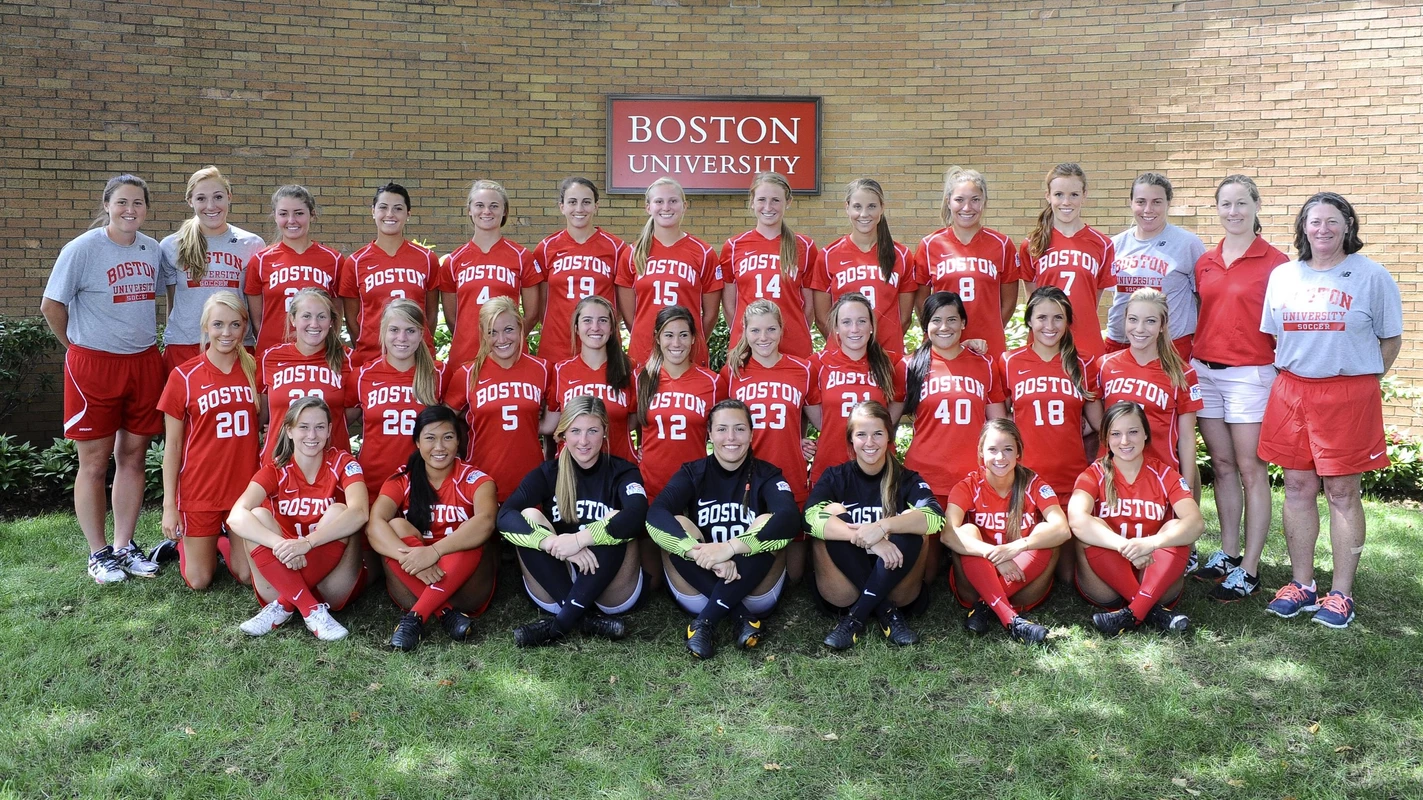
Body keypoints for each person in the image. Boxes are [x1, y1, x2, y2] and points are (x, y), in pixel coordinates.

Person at [1257, 192, 1403, 629]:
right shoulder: (1283, 275)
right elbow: (1273, 337)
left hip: (1346, 394)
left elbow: (1389, 340)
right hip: (1292, 390)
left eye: (1332, 221)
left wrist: (1358, 383)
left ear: (1348, 227)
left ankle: (1341, 593)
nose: (1322, 229)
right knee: (1298, 488)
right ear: (1303, 227)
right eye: (1314, 221)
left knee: (1341, 492)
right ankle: (1302, 584)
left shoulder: (1371, 276)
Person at [40, 174, 165, 583]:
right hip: (94, 365)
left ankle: (125, 546)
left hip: (143, 361)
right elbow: (51, 305)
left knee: (132, 456)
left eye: (138, 203)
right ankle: (98, 553)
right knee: (93, 463)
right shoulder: (82, 248)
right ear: (107, 205)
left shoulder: (151, 250)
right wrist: (75, 347)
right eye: (122, 202)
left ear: (147, 208)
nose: (130, 210)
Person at [1189, 175, 1290, 601]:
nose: (1233, 212)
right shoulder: (1206, 260)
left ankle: (1249, 567)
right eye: (1226, 204)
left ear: (1256, 206)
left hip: (1250, 373)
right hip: (1205, 371)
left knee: (1252, 470)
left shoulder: (1277, 263)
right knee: (1223, 465)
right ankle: (1228, 553)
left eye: (1241, 203)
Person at [647, 399, 798, 658]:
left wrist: (728, 549)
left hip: (755, 588)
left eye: (739, 429)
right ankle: (740, 615)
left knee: (767, 521)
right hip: (700, 582)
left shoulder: (768, 474)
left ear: (752, 434)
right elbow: (655, 513)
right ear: (710, 434)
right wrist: (703, 556)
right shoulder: (693, 472)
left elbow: (789, 518)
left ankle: (706, 622)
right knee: (677, 524)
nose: (731, 437)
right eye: (722, 429)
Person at [498, 396, 647, 647]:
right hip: (557, 582)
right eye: (575, 431)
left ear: (605, 433)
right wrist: (554, 543)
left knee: (616, 518)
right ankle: (585, 618)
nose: (584, 441)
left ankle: (561, 624)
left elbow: (637, 514)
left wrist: (579, 540)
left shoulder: (624, 471)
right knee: (528, 517)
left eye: (592, 431)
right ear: (563, 433)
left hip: (610, 590)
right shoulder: (547, 473)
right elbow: (504, 516)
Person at [226, 396, 370, 641]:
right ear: (289, 431)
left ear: (328, 431)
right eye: (303, 427)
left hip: (331, 584)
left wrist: (308, 543)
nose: (312, 435)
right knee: (257, 515)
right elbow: (235, 517)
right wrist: (281, 545)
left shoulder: (344, 462)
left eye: (319, 427)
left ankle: (283, 606)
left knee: (338, 511)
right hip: (281, 573)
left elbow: (360, 512)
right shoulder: (275, 468)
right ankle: (309, 608)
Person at [805, 401, 942, 649]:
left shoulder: (907, 478)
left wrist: (883, 527)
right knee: (832, 512)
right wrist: (868, 539)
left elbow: (935, 517)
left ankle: (855, 618)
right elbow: (809, 518)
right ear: (851, 441)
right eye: (861, 435)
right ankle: (886, 612)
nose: (870, 442)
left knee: (913, 527)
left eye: (878, 433)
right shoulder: (836, 476)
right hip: (843, 587)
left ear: (889, 436)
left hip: (897, 582)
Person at [367, 405, 499, 650]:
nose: (439, 447)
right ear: (417, 442)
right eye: (430, 438)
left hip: (465, 587)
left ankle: (414, 619)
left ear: (459, 441)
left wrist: (435, 551)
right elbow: (374, 525)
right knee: (394, 525)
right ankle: (443, 613)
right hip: (414, 582)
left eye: (448, 437)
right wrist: (414, 560)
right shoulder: (402, 480)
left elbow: (487, 521)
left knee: (470, 532)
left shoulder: (476, 479)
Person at [1068, 401, 1204, 635]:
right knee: (1092, 525)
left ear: (1145, 435)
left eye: (1133, 432)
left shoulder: (1164, 473)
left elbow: (1196, 523)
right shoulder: (1094, 473)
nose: (1124, 441)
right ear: (1106, 439)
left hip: (1153, 575)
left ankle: (1135, 610)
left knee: (1176, 526)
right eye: (1116, 434)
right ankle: (1149, 610)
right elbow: (1077, 519)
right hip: (1106, 583)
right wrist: (1125, 547)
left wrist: (1151, 544)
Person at [157, 292, 261, 590]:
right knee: (199, 581)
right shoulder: (184, 376)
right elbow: (173, 446)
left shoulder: (255, 369)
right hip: (200, 489)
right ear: (205, 327)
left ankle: (221, 542)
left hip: (244, 491)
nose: (226, 333)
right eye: (218, 324)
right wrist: (169, 506)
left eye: (235, 325)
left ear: (244, 327)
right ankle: (188, 546)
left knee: (246, 576)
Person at [902, 291, 1008, 583]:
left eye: (952, 319)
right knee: (927, 574)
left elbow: (998, 423)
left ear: (963, 323)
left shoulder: (984, 363)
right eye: (936, 320)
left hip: (971, 477)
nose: (944, 326)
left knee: (971, 566)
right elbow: (888, 415)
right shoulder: (910, 365)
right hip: (926, 473)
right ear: (925, 326)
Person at [943, 418, 1068, 645]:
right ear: (981, 452)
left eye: (1008, 449)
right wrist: (995, 555)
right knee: (967, 530)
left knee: (1045, 533)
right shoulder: (968, 486)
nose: (1000, 457)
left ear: (1019, 451)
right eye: (992, 449)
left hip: (1022, 583)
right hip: (976, 581)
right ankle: (1010, 619)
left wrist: (1018, 546)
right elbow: (948, 534)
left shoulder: (1034, 483)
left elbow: (1063, 529)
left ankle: (985, 606)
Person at [722, 300, 819, 583]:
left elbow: (820, 420)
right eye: (755, 331)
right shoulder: (732, 373)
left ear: (781, 330)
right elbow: (718, 425)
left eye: (770, 329)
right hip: (747, 471)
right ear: (744, 332)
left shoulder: (802, 370)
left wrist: (800, 438)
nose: (763, 337)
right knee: (756, 558)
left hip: (789, 465)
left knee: (795, 576)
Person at [635, 305, 724, 584]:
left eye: (684, 335)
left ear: (694, 338)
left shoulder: (711, 382)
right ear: (657, 338)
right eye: (669, 335)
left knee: (687, 569)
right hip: (652, 478)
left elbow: (724, 433)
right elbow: (630, 424)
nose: (677, 343)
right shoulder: (643, 378)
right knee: (654, 581)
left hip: (692, 484)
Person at [443, 297, 552, 503]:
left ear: (520, 327)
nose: (502, 339)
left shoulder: (543, 369)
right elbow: (442, 423)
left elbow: (556, 420)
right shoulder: (467, 374)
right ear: (483, 335)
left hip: (530, 481)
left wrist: (533, 424)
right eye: (492, 332)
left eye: (509, 329)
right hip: (481, 481)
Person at [1095, 288, 1202, 496]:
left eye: (1150, 321)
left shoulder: (1182, 373)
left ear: (1163, 326)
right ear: (1125, 320)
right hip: (1112, 477)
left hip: (1161, 479)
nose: (1140, 328)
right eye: (1133, 319)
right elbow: (1095, 425)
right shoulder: (1104, 366)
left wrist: (1186, 489)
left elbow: (1187, 438)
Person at [1003, 286, 1103, 508]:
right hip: (1024, 475)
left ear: (1068, 321)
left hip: (1071, 475)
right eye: (1042, 317)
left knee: (1072, 540)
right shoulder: (1010, 361)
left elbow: (1098, 422)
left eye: (1058, 318)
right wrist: (1025, 422)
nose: (1050, 326)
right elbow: (999, 420)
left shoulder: (1083, 363)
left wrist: (1074, 424)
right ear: (1029, 320)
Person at [158, 166, 264, 371]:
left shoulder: (251, 244)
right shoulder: (172, 245)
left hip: (236, 344)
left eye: (218, 197)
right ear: (190, 201)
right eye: (201, 199)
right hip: (185, 345)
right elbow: (173, 302)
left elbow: (256, 306)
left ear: (229, 197)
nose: (210, 206)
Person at [615, 177, 723, 369]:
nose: (666, 207)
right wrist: (646, 337)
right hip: (644, 352)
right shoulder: (632, 253)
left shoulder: (703, 252)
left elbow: (711, 314)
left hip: (687, 352)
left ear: (684, 206)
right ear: (648, 207)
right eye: (659, 201)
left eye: (673, 201)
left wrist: (690, 340)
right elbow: (630, 316)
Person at [913, 167, 1019, 357]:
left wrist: (989, 331)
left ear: (984, 202)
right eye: (959, 200)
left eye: (975, 200)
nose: (967, 207)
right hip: (943, 347)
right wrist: (941, 333)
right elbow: (922, 303)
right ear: (948, 202)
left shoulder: (1002, 245)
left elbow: (1009, 302)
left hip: (988, 347)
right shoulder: (929, 245)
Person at [441, 179, 543, 369]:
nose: (486, 211)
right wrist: (471, 339)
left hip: (509, 357)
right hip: (466, 356)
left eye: (494, 206)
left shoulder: (522, 257)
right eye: (479, 205)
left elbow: (532, 314)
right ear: (469, 210)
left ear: (504, 211)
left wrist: (509, 341)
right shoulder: (453, 261)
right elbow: (452, 319)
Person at [1018, 163, 1116, 360]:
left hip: (1085, 340)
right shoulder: (1032, 244)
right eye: (1059, 194)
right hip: (1045, 342)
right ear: (1048, 196)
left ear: (1084, 195)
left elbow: (1091, 301)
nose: (1066, 201)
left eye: (1074, 194)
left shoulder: (1103, 244)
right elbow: (1033, 301)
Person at [1105, 172, 1205, 360]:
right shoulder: (1114, 245)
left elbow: (1202, 297)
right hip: (1120, 343)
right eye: (1141, 201)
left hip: (1170, 346)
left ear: (1168, 203)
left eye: (1157, 202)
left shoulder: (1187, 243)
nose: (1148, 209)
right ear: (1131, 203)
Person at [807, 293, 904, 485]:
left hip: (878, 466)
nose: (854, 329)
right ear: (836, 328)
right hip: (831, 465)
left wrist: (967, 345)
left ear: (871, 327)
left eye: (861, 321)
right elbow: (820, 421)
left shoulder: (892, 363)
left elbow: (894, 410)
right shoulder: (816, 364)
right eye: (846, 322)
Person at [338, 183, 439, 368]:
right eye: (383, 207)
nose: (390, 214)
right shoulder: (355, 262)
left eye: (398, 209)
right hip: (372, 359)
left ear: (408, 214)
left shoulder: (427, 258)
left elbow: (431, 315)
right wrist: (368, 345)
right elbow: (352, 320)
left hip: (417, 360)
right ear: (373, 211)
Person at [812, 178, 916, 356]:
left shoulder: (902, 255)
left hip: (888, 354)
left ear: (882, 208)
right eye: (857, 206)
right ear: (847, 208)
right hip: (843, 357)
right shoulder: (828, 255)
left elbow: (904, 319)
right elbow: (823, 319)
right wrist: (849, 345)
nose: (864, 214)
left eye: (872, 206)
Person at [721, 172, 818, 359]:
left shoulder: (804, 246)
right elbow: (729, 305)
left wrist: (794, 330)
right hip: (748, 346)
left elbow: (809, 307)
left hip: (793, 346)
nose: (768, 207)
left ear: (788, 202)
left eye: (775, 200)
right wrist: (745, 334)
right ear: (752, 202)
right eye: (762, 199)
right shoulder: (733, 246)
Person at [352, 299, 446, 490]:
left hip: (424, 483)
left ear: (421, 334)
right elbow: (338, 423)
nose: (402, 338)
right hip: (372, 482)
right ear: (383, 332)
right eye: (394, 330)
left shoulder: (440, 374)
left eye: (410, 330)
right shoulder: (362, 376)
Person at [533, 177, 627, 364]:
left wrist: (602, 327)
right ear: (562, 206)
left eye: (586, 202)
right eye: (572, 202)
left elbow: (622, 304)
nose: (579, 209)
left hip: (601, 345)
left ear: (596, 206)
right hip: (557, 345)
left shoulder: (617, 248)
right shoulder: (546, 248)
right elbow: (542, 303)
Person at [243, 184, 343, 356]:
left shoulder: (333, 260)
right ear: (275, 216)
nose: (291, 220)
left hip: (318, 355)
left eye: (299, 213)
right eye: (283, 214)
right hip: (272, 355)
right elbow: (258, 321)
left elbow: (336, 316)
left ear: (312, 214)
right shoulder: (260, 261)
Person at [258, 288, 354, 463]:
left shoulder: (348, 359)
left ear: (331, 321)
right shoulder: (269, 358)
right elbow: (263, 412)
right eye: (306, 316)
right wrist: (279, 425)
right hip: (280, 462)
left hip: (330, 463)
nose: (314, 324)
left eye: (322, 317)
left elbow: (352, 410)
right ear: (293, 319)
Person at [546, 295, 638, 461]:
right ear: (576, 327)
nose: (595, 327)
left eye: (603, 320)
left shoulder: (630, 369)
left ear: (612, 329)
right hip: (573, 469)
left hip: (619, 467)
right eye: (587, 320)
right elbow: (553, 424)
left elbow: (633, 422)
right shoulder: (561, 370)